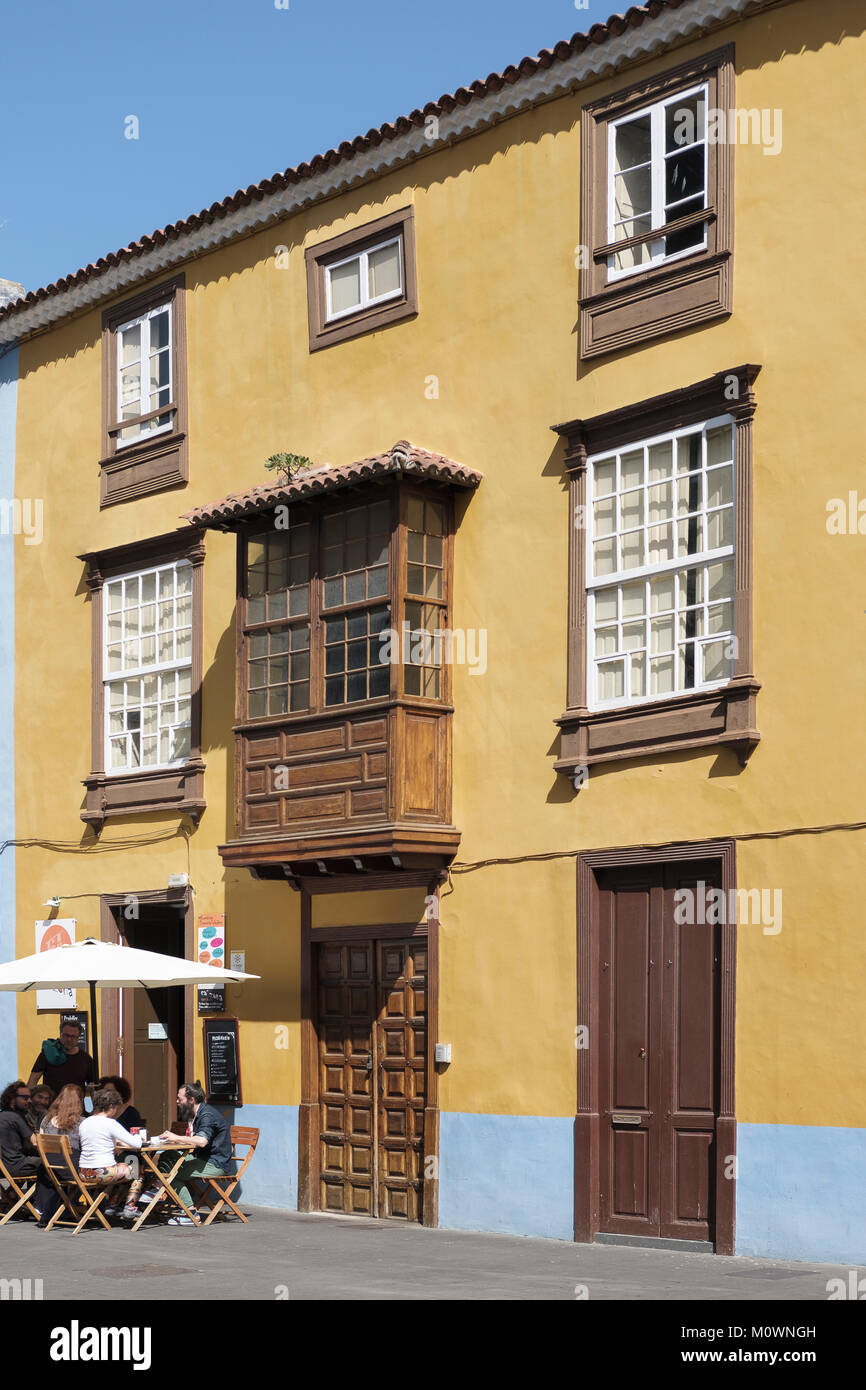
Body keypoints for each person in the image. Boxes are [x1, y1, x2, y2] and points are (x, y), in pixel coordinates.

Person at [149, 1081, 232, 1226]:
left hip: (215, 1164)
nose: (177, 1101)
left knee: (172, 1173)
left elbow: (201, 1141)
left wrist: (177, 1137)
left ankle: (189, 1212)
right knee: (167, 1157)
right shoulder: (196, 1113)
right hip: (201, 1158)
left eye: (179, 1098)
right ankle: (158, 1189)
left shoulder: (207, 1115)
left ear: (191, 1100)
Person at [78, 1086, 144, 1221]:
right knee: (137, 1171)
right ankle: (130, 1207)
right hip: (104, 1173)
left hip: (84, 1173)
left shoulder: (85, 1122)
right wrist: (139, 1136)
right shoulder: (110, 1123)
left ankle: (112, 1205)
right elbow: (137, 1144)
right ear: (112, 1106)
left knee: (124, 1166)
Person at [34, 1083, 85, 1227]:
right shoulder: (82, 1123)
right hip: (72, 1170)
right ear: (79, 1101)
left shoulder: (47, 1120)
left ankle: (52, 1209)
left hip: (49, 1168)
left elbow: (41, 1146)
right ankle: (92, 1210)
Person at [0, 1081, 44, 1218]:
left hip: (3, 1167)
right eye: (25, 1098)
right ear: (12, 1099)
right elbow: (36, 1143)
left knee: (35, 1160)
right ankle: (40, 1206)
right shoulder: (15, 1117)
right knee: (50, 1164)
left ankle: (17, 1199)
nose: (29, 1101)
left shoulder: (2, 1115)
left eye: (30, 1097)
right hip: (14, 1166)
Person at [28, 1020, 93, 1095]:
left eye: (73, 1037)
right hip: (51, 1105)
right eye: (66, 1035)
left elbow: (92, 1087)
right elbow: (33, 1080)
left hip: (76, 1105)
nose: (69, 1039)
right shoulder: (48, 1053)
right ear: (60, 1034)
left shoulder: (85, 1059)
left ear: (78, 1037)